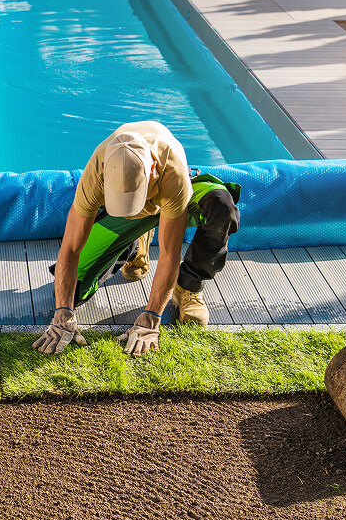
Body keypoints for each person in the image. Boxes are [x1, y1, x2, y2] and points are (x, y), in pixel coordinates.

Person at [32, 120, 239, 357]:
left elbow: (169, 254)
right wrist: (63, 312)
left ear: (153, 170)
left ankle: (188, 286)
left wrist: (151, 318)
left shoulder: (172, 170)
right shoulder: (95, 173)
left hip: (174, 200)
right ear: (103, 168)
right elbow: (69, 249)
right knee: (71, 290)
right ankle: (134, 246)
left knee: (222, 209)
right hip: (133, 216)